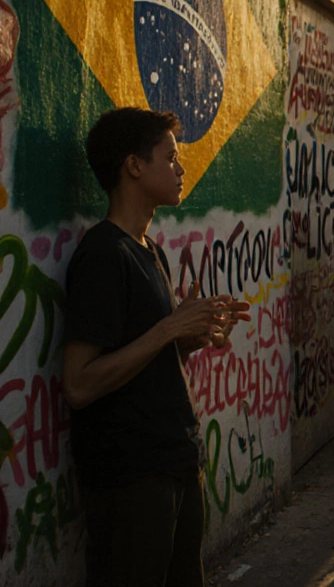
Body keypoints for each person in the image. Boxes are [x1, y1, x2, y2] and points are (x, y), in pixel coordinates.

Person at [63, 108, 251, 586]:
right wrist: (169, 330)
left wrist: (191, 337)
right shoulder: (103, 254)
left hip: (174, 459)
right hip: (131, 476)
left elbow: (145, 358)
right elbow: (80, 385)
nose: (181, 167)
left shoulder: (148, 249)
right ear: (133, 166)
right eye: (170, 157)